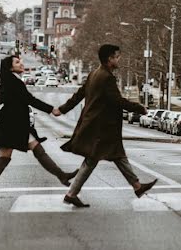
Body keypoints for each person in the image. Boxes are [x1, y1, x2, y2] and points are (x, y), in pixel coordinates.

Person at [53, 44, 157, 207]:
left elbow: (79, 94)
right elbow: (118, 101)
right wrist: (140, 108)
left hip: (98, 125)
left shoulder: (94, 74)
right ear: (109, 59)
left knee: (112, 156)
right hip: (102, 126)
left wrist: (62, 109)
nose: (118, 59)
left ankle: (136, 186)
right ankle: (72, 193)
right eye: (116, 57)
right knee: (100, 158)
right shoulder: (106, 77)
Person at [0, 54, 77, 206]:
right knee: (5, 158)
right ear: (11, 67)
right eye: (17, 62)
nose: (21, 63)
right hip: (10, 125)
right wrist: (52, 109)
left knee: (38, 150)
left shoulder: (12, 81)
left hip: (18, 125)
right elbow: (27, 100)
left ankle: (62, 175)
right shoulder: (13, 82)